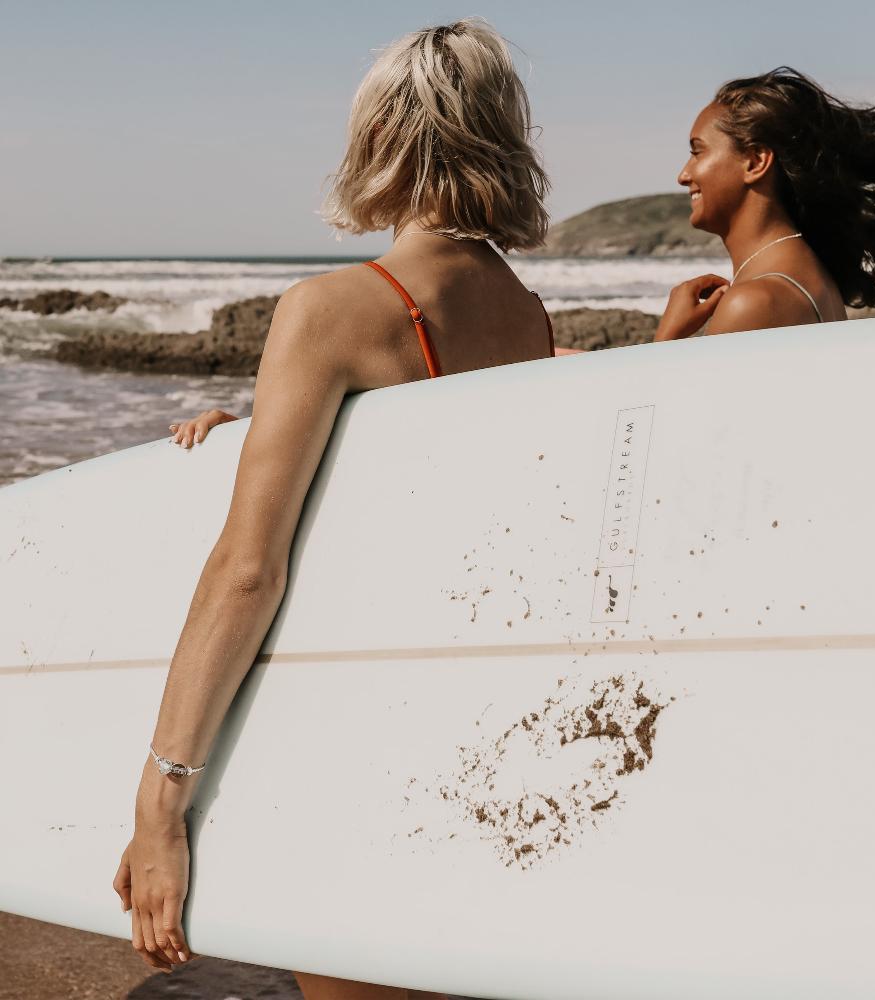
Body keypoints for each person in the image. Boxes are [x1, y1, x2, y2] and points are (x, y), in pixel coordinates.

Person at [112, 18, 552, 1000]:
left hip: (359, 739)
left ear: (383, 140)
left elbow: (248, 567)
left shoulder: (333, 309)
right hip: (479, 731)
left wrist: (160, 802)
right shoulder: (525, 314)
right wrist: (251, 427)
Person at [654, 66, 875, 341]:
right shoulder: (807, 275)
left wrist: (667, 340)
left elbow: (686, 413)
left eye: (697, 152)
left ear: (754, 162)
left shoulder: (754, 302)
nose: (684, 174)